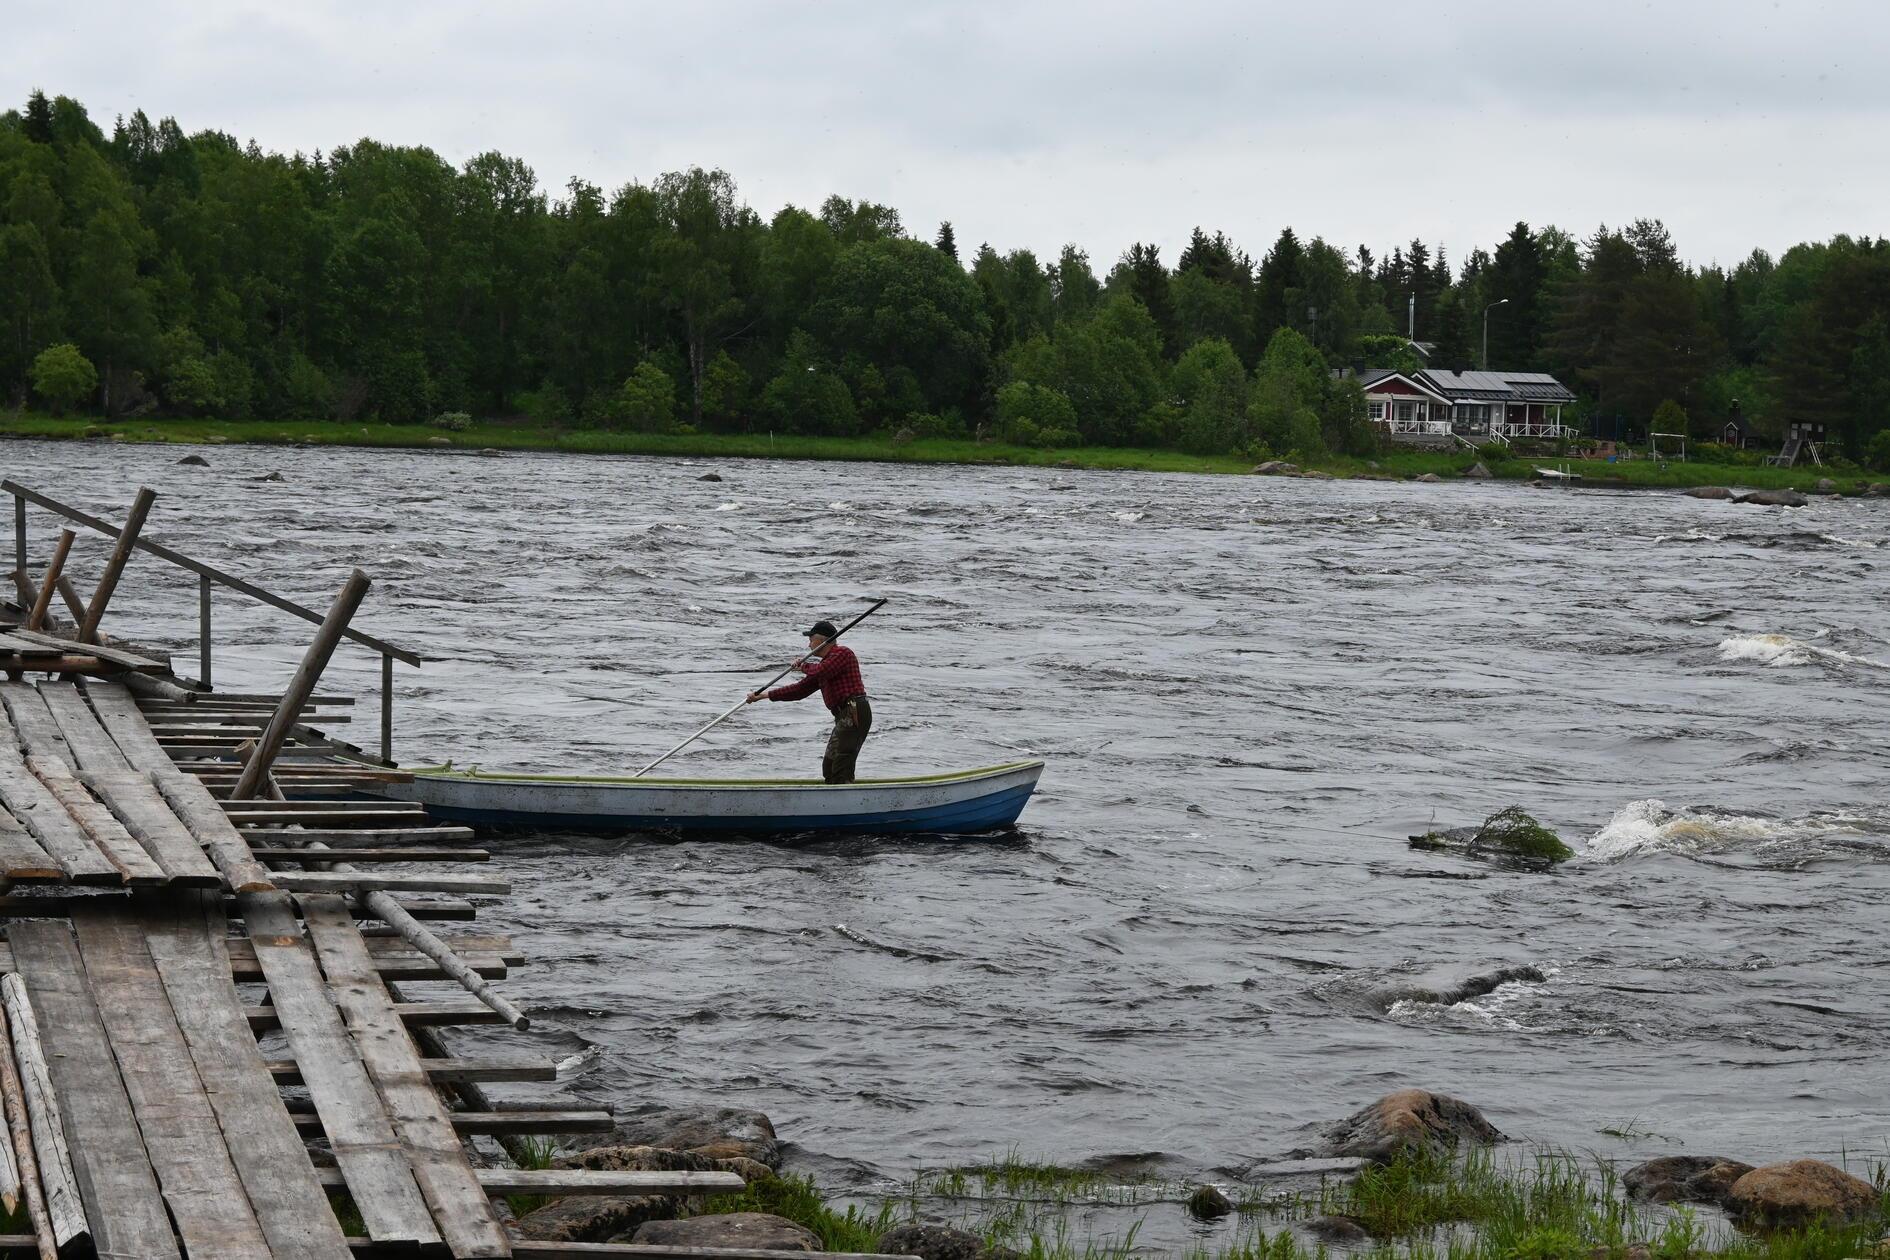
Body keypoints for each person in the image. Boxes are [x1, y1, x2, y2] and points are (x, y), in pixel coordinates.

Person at [746, 619, 872, 784]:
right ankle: (832, 794)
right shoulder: (823, 666)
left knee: (842, 763)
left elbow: (822, 671)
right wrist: (763, 696)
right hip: (843, 716)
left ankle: (843, 799)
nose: (809, 646)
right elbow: (799, 690)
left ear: (821, 641)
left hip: (854, 711)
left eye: (811, 640)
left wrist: (803, 666)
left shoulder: (842, 654)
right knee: (829, 765)